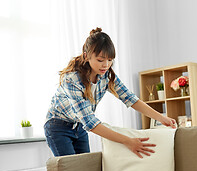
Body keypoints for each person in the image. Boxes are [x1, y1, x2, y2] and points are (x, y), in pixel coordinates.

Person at [44, 27, 176, 158]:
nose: (106, 65)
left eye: (110, 59)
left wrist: (161, 118)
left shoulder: (106, 76)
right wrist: (127, 141)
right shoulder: (72, 79)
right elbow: (90, 122)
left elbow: (130, 98)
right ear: (86, 56)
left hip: (79, 126)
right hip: (58, 127)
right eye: (100, 60)